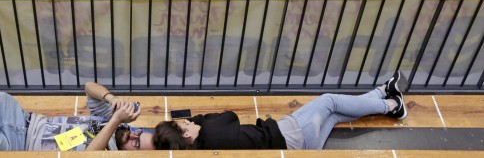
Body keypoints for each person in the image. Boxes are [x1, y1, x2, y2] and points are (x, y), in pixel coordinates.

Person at [0, 45, 150, 151]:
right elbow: (89, 87)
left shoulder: (111, 140)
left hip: (16, 147)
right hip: (23, 119)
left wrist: (116, 120)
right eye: (140, 134)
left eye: (136, 144)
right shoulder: (119, 124)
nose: (133, 134)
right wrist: (110, 98)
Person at [151, 71, 409, 150]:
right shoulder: (211, 132)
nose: (190, 122)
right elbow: (230, 115)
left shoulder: (205, 149)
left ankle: (380, 93)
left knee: (335, 114)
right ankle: (391, 103)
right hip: (292, 134)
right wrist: (200, 119)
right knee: (329, 100)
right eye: (186, 125)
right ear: (186, 135)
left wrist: (197, 123)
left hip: (300, 148)